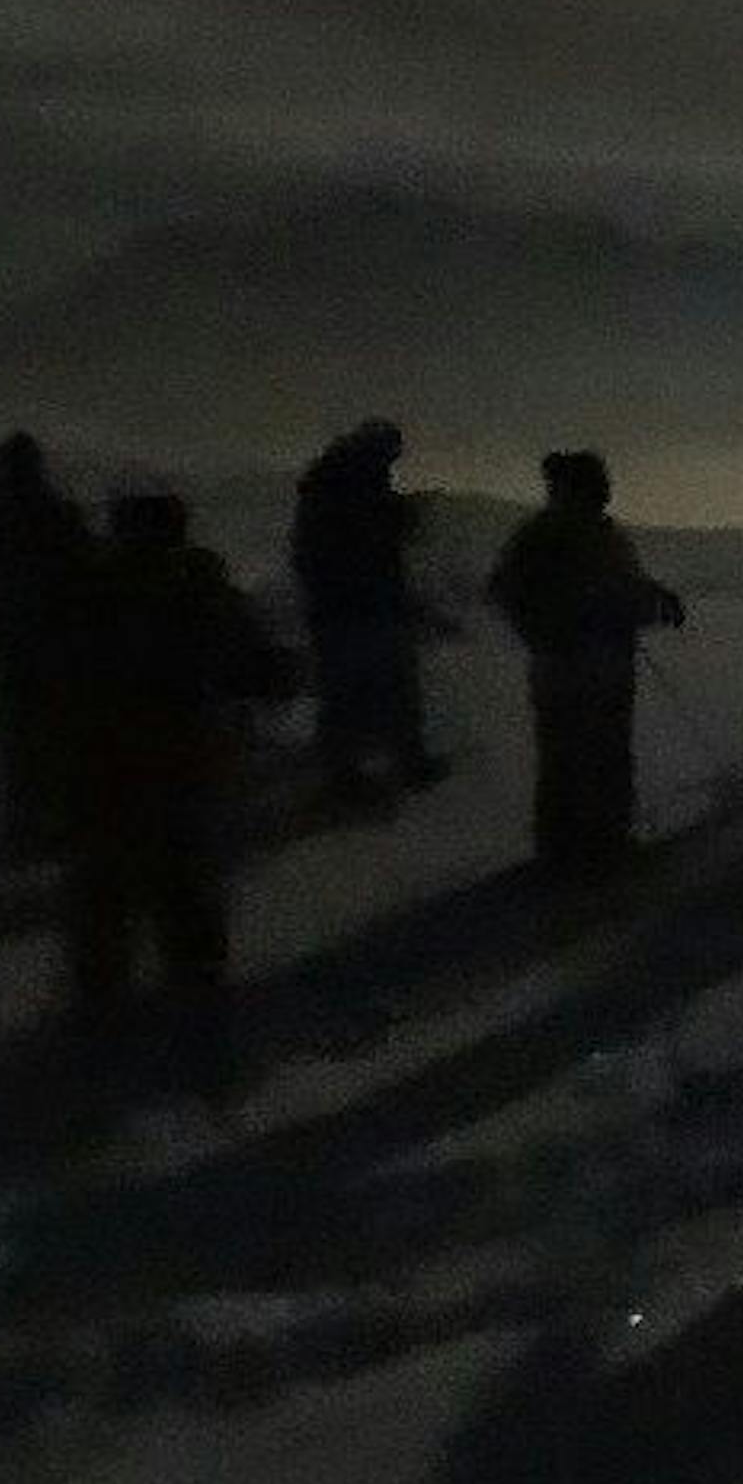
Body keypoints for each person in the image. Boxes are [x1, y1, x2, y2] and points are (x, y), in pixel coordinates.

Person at [69, 491, 296, 1098]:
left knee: (112, 885)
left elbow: (52, 676)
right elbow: (255, 664)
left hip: (111, 762)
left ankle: (105, 1008)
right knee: (182, 887)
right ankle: (196, 1014)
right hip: (183, 761)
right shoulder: (198, 589)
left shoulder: (95, 590)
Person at [486, 450, 687, 875]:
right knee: (573, 758)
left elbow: (625, 585)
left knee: (598, 756)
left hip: (604, 663)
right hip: (569, 665)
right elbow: (507, 591)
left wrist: (656, 600)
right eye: (598, 484)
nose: (605, 492)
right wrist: (546, 632)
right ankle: (574, 851)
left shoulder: (598, 532)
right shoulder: (546, 536)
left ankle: (599, 843)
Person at [290, 419, 450, 805]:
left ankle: (352, 773)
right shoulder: (355, 487)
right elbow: (372, 539)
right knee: (384, 689)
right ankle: (385, 769)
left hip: (342, 609)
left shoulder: (331, 486)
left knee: (351, 693)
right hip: (365, 607)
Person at [0, 431, 96, 853]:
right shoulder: (56, 515)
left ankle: (24, 821)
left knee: (21, 730)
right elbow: (85, 569)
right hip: (54, 641)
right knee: (54, 729)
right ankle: (52, 817)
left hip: (12, 642)